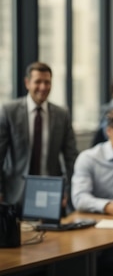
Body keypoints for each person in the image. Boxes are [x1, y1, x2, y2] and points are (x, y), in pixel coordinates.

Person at [0, 62, 78, 207]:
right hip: (14, 193)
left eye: (47, 82)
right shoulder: (9, 111)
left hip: (50, 193)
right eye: (38, 82)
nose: (43, 87)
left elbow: (71, 157)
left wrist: (68, 191)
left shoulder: (62, 115)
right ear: (27, 82)